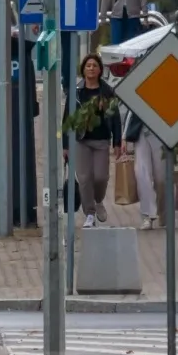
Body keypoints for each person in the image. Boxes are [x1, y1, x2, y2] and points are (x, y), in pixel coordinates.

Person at [62, 54, 122, 229]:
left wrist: (117, 142)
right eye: (88, 66)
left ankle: (98, 200)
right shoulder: (76, 92)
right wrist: (65, 144)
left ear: (100, 70)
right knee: (85, 178)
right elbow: (67, 118)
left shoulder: (107, 91)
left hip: (102, 140)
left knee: (101, 177)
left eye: (94, 66)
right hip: (81, 141)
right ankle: (89, 214)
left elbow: (116, 118)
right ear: (83, 69)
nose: (91, 68)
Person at [124, 110, 169, 229]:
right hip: (141, 133)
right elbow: (132, 108)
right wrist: (124, 136)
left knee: (162, 179)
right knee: (141, 173)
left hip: (162, 133)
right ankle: (147, 216)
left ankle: (164, 214)